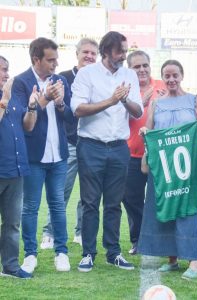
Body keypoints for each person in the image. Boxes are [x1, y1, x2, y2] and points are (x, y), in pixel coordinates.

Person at [71, 31, 143, 272]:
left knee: (114, 204)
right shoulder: (87, 73)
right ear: (106, 51)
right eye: (119, 51)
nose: (124, 55)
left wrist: (123, 101)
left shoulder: (129, 74)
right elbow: (78, 109)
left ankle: (113, 252)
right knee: (90, 202)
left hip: (118, 147)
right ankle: (88, 253)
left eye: (125, 50)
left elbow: (138, 111)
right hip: (91, 146)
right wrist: (111, 101)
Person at [137, 59, 197, 280]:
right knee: (164, 211)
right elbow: (149, 129)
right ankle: (172, 259)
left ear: (182, 75)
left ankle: (193, 262)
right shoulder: (156, 103)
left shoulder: (195, 101)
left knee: (187, 212)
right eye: (167, 76)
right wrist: (144, 133)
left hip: (185, 170)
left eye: (175, 75)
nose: (171, 80)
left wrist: (196, 133)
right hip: (162, 168)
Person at [12, 37, 73, 273]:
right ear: (36, 59)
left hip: (58, 155)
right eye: (50, 60)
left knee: (58, 205)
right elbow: (23, 122)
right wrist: (45, 98)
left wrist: (59, 104)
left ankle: (62, 252)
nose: (55, 64)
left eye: (56, 59)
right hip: (33, 157)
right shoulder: (21, 82)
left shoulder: (60, 81)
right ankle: (30, 254)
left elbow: (70, 117)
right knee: (30, 207)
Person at [40, 38, 99, 249]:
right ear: (77, 53)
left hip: (92, 142)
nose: (89, 56)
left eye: (93, 53)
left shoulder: (99, 79)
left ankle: (81, 232)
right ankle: (50, 231)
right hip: (69, 142)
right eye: (86, 52)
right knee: (61, 190)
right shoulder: (62, 77)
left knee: (89, 193)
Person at [123, 50, 165, 255]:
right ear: (129, 69)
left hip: (159, 153)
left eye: (144, 65)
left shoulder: (163, 86)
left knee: (159, 199)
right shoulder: (125, 89)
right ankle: (138, 239)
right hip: (131, 153)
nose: (141, 70)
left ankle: (161, 240)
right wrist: (140, 103)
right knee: (131, 198)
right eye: (136, 66)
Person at [0, 57, 38, 279]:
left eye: (7, 69)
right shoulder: (8, 95)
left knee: (12, 223)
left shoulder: (14, 96)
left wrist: (32, 105)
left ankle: (10, 266)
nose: (7, 74)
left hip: (15, 170)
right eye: (2, 70)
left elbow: (29, 126)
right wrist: (4, 96)